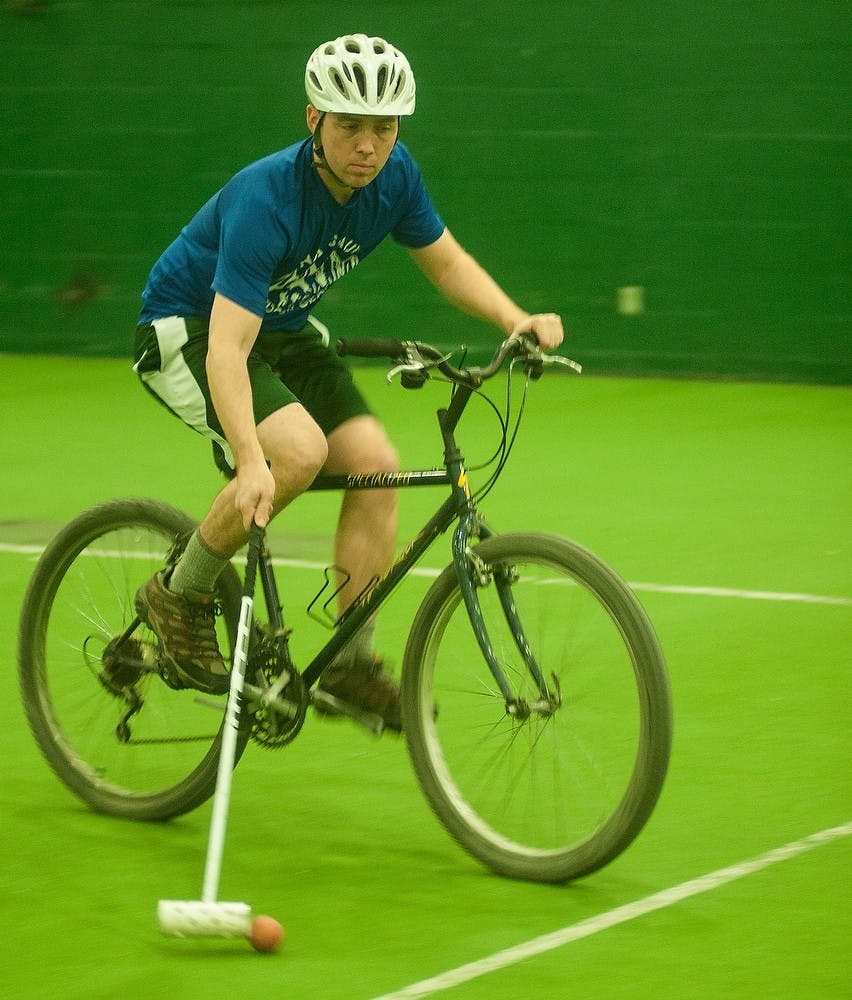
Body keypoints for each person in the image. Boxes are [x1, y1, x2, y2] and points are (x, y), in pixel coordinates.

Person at [132, 33, 563, 733]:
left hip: (281, 328)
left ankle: (347, 666)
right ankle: (179, 594)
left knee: (377, 466)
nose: (368, 145)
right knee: (294, 453)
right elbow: (229, 346)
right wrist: (249, 461)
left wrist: (516, 320)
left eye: (384, 128)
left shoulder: (395, 179)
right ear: (313, 121)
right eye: (349, 126)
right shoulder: (266, 200)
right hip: (191, 330)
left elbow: (447, 263)